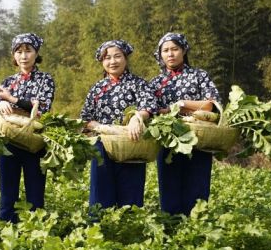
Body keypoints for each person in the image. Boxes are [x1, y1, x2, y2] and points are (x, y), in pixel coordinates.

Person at [80, 40, 158, 210]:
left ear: (125, 58)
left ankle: (129, 230)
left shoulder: (138, 84)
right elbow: (86, 118)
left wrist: (137, 117)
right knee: (100, 193)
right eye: (107, 58)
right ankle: (98, 228)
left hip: (132, 142)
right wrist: (102, 127)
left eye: (117, 56)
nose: (112, 61)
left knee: (130, 196)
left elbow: (150, 106)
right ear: (102, 61)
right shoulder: (97, 88)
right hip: (103, 145)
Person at [150, 32, 220, 215]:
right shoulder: (155, 83)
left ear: (184, 50)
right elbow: (153, 111)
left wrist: (180, 105)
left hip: (198, 139)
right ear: (160, 55)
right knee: (169, 188)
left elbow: (210, 105)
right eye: (165, 50)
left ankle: (196, 227)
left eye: (175, 49)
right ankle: (172, 229)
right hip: (168, 141)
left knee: (197, 188)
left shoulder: (198, 75)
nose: (170, 54)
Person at [0, 32, 55, 222]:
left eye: (28, 51)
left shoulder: (45, 79)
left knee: (35, 190)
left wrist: (10, 99)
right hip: (9, 141)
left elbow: (42, 107)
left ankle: (35, 227)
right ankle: (6, 225)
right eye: (19, 52)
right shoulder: (8, 82)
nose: (23, 56)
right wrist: (0, 105)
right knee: (7, 190)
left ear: (36, 54)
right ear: (14, 56)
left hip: (34, 141)